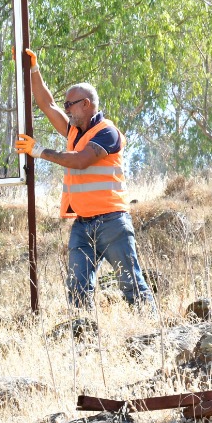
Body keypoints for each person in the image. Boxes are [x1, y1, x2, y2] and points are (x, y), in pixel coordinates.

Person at [16, 51, 153, 310]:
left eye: (70, 105)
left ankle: (153, 332)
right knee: (78, 289)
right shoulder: (74, 132)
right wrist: (34, 69)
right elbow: (47, 104)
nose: (66, 109)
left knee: (131, 285)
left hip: (112, 222)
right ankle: (83, 337)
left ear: (86, 104)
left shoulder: (107, 133)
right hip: (82, 225)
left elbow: (80, 160)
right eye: (66, 105)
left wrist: (40, 152)